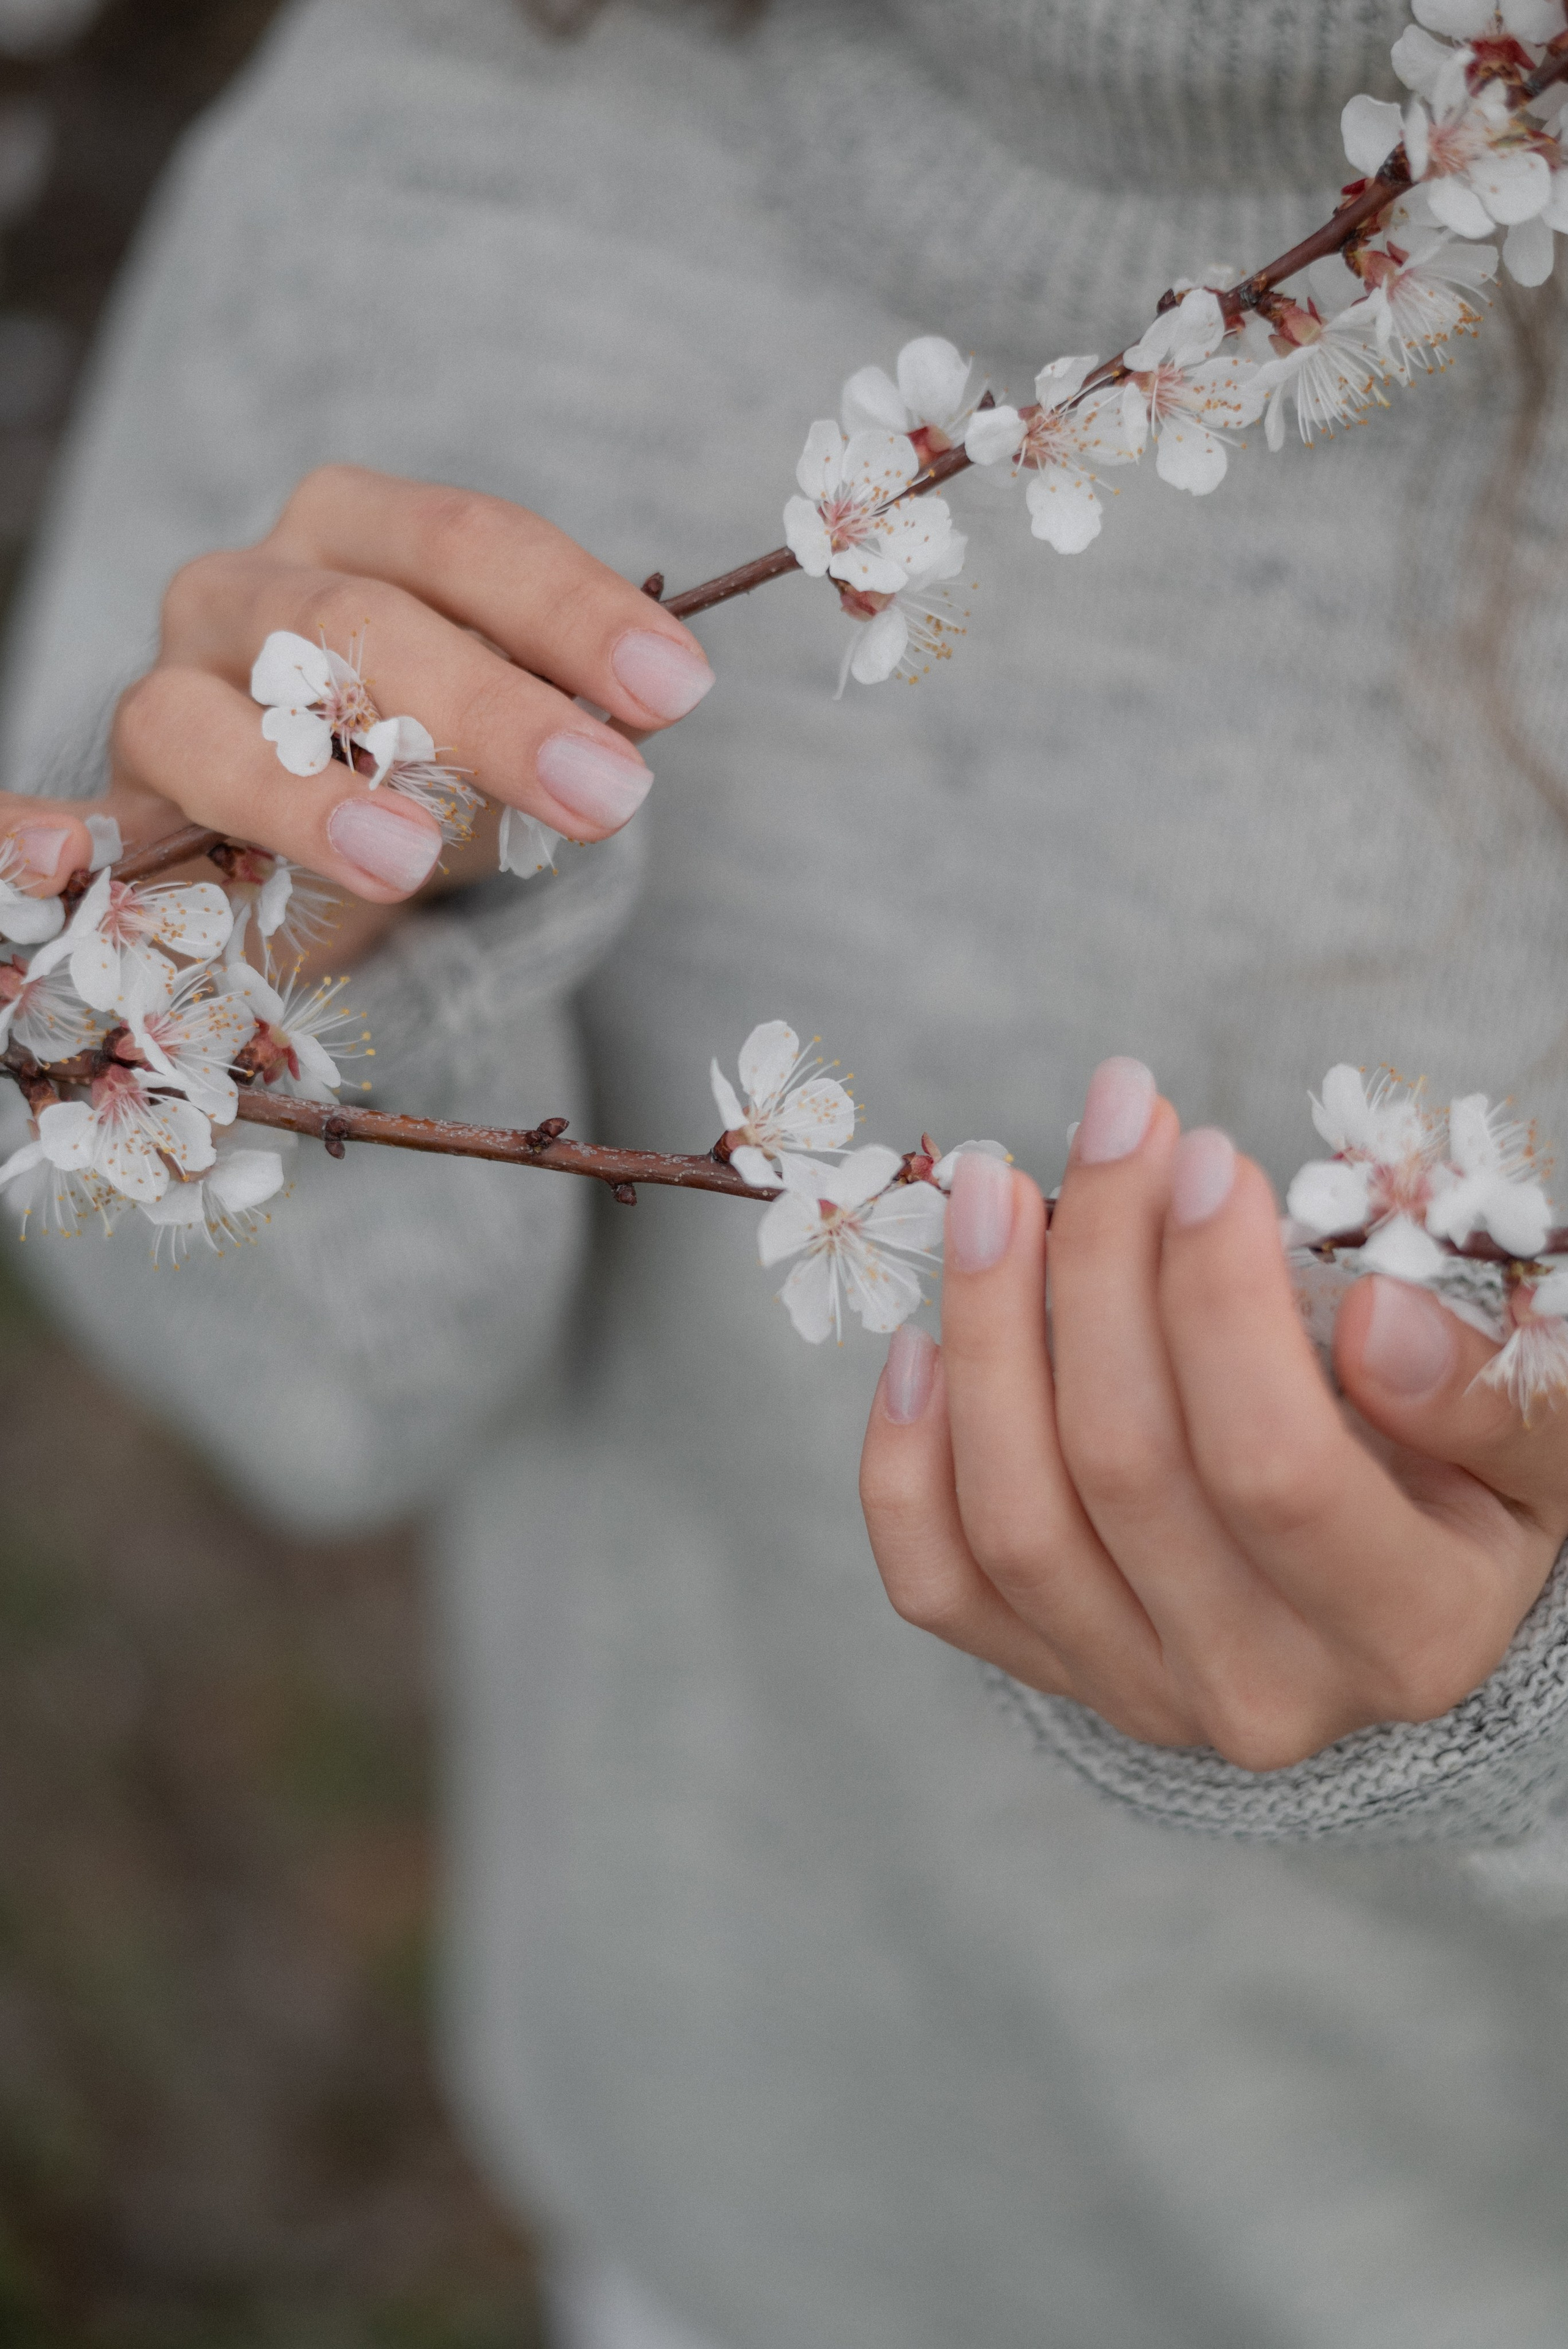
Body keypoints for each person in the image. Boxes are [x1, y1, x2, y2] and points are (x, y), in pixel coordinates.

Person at [4, 1, 1568, 2342]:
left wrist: (1520, 1720)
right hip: (722, 2227)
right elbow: (323, 1397)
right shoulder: (412, 147)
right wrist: (252, 991)